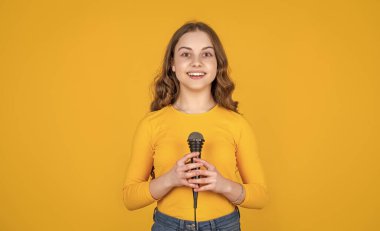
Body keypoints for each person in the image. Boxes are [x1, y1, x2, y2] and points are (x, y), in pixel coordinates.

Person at [123, 20, 269, 231]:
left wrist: (223, 185)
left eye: (206, 54)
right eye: (186, 54)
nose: (196, 62)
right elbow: (130, 198)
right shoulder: (151, 124)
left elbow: (261, 196)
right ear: (172, 64)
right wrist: (171, 179)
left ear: (217, 64)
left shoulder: (237, 124)